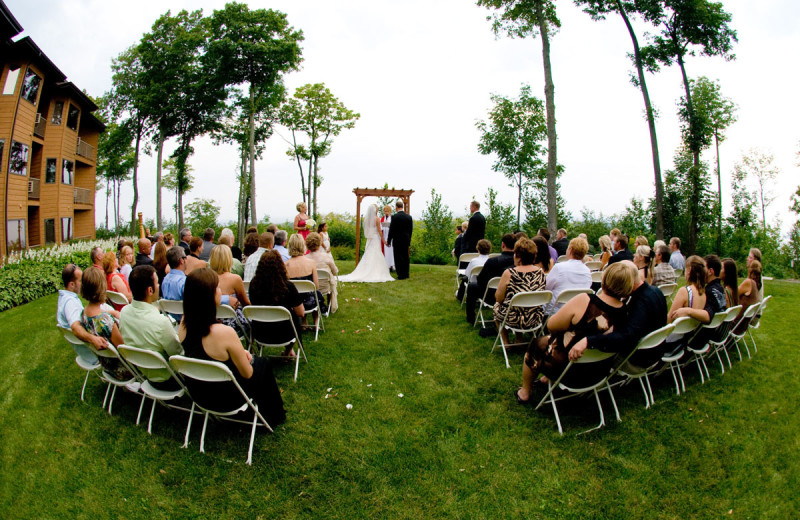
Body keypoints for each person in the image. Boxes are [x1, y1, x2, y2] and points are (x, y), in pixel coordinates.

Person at [515, 262, 635, 403]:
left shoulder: (585, 300)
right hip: (598, 371)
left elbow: (551, 325)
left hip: (568, 368)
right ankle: (547, 379)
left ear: (605, 279)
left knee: (537, 344)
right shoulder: (626, 312)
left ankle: (524, 392)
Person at [179, 268, 285, 426]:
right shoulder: (223, 333)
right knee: (262, 365)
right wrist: (246, 359)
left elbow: (210, 354)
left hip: (200, 393)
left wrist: (240, 354)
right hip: (227, 397)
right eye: (217, 288)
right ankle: (274, 415)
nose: (220, 291)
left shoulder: (183, 324)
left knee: (253, 362)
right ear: (209, 295)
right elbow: (247, 373)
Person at [568, 260, 667, 362]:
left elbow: (626, 337)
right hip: (657, 351)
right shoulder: (656, 291)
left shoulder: (639, 302)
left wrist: (588, 341)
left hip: (640, 358)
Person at [119, 265, 183, 386]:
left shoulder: (124, 313)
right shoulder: (160, 322)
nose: (159, 286)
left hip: (143, 373)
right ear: (150, 290)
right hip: (170, 379)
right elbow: (178, 355)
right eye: (157, 283)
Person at [249, 250, 306, 360]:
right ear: (280, 266)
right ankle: (288, 350)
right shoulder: (288, 287)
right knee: (294, 317)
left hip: (261, 332)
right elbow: (301, 312)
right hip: (285, 333)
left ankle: (288, 352)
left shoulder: (253, 285)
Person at [80, 267, 132, 380]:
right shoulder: (106, 321)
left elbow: (97, 315)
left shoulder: (83, 314)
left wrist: (112, 312)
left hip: (106, 366)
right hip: (122, 370)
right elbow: (125, 350)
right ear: (101, 288)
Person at [494, 238, 547, 347]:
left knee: (497, 307)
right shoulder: (540, 272)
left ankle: (506, 342)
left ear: (517, 256)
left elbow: (499, 298)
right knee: (519, 306)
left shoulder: (509, 273)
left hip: (513, 319)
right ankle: (519, 339)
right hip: (535, 318)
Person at [57, 263, 108, 363]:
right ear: (72, 284)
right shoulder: (70, 303)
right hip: (95, 353)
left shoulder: (64, 297)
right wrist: (93, 339)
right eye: (81, 281)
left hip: (86, 353)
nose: (84, 284)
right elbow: (75, 328)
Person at [465, 233, 516, 324]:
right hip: (514, 295)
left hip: (493, 296)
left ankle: (471, 317)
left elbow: (481, 280)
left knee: (472, 286)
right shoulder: (519, 262)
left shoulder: (493, 261)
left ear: (503, 244)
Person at [341, 203, 396, 283]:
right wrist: (384, 241)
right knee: (376, 253)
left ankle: (367, 269)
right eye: (377, 208)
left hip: (370, 239)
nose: (378, 209)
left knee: (369, 254)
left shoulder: (367, 219)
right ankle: (375, 271)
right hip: (375, 238)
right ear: (374, 210)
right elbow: (380, 231)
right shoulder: (377, 219)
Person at [210, 244, 251, 338]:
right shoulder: (235, 279)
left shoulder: (206, 278)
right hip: (230, 325)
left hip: (211, 322)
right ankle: (252, 349)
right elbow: (246, 304)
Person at [544, 237, 592, 315]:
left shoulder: (559, 267)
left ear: (570, 250)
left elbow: (546, 288)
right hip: (577, 310)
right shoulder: (587, 271)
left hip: (555, 312)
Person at [286, 233, 325, 318]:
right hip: (309, 302)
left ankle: (304, 320)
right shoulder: (311, 263)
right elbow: (316, 286)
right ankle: (316, 322)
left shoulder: (285, 265)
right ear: (302, 245)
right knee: (316, 294)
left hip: (293, 303)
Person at [667, 256, 707, 323]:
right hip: (693, 332)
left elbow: (670, 319)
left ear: (689, 270)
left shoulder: (684, 291)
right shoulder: (704, 292)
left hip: (679, 331)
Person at [306, 231, 339, 312]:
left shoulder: (305, 259)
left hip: (310, 288)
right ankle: (329, 304)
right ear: (319, 243)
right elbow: (335, 272)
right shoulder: (326, 257)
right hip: (325, 287)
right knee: (330, 280)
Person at [387, 200, 413, 280]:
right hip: (405, 240)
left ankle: (400, 275)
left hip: (397, 240)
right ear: (402, 207)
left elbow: (392, 230)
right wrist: (409, 239)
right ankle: (406, 273)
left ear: (396, 207)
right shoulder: (409, 217)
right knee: (405, 257)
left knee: (398, 258)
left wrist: (389, 240)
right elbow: (410, 230)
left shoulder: (394, 217)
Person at [161, 246, 188, 320]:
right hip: (186, 321)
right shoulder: (184, 282)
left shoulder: (165, 280)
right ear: (181, 261)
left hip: (171, 319)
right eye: (185, 257)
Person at [380, 205, 395, 272]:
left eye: (387, 211)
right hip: (384, 236)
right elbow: (380, 227)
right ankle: (386, 265)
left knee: (391, 252)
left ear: (390, 211)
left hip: (391, 237)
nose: (386, 212)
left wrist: (390, 227)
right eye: (385, 211)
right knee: (385, 252)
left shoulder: (392, 218)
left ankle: (392, 265)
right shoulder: (382, 218)